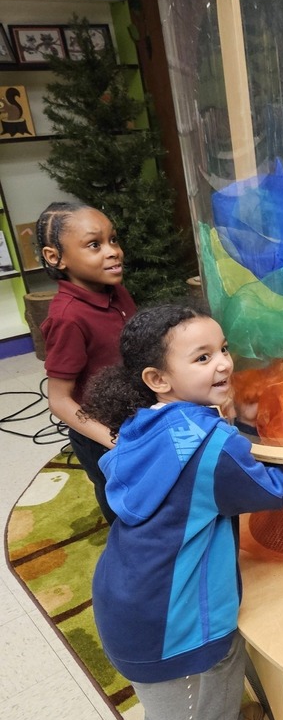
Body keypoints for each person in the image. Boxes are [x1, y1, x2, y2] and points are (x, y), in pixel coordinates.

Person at [29, 301, 283, 720]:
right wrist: (258, 431)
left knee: (225, 650)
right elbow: (273, 489)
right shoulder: (215, 443)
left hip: (122, 595)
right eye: (203, 357)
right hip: (160, 619)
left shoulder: (147, 421)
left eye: (222, 348)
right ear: (158, 378)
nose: (223, 363)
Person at [37, 201, 137, 524]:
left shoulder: (117, 292)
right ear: (56, 257)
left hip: (134, 419)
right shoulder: (68, 318)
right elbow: (59, 400)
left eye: (113, 240)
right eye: (95, 245)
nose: (113, 251)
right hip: (102, 437)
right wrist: (113, 440)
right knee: (120, 503)